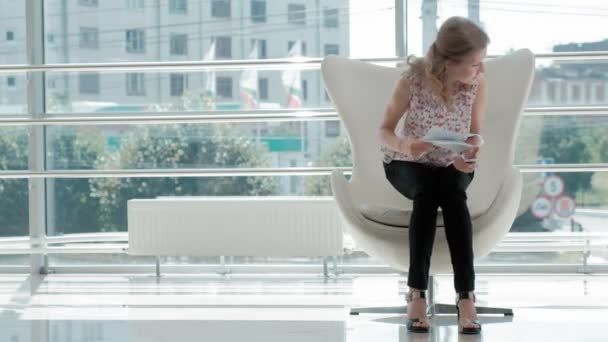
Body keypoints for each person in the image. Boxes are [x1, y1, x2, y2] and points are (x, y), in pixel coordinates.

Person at [378, 16, 488, 335]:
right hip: (406, 162)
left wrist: (470, 155)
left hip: (453, 165)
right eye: (474, 64)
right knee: (430, 191)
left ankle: (459, 295)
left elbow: (474, 136)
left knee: (450, 192)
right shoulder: (411, 80)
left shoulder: (477, 85)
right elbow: (383, 131)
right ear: (449, 62)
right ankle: (431, 294)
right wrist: (406, 144)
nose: (480, 71)